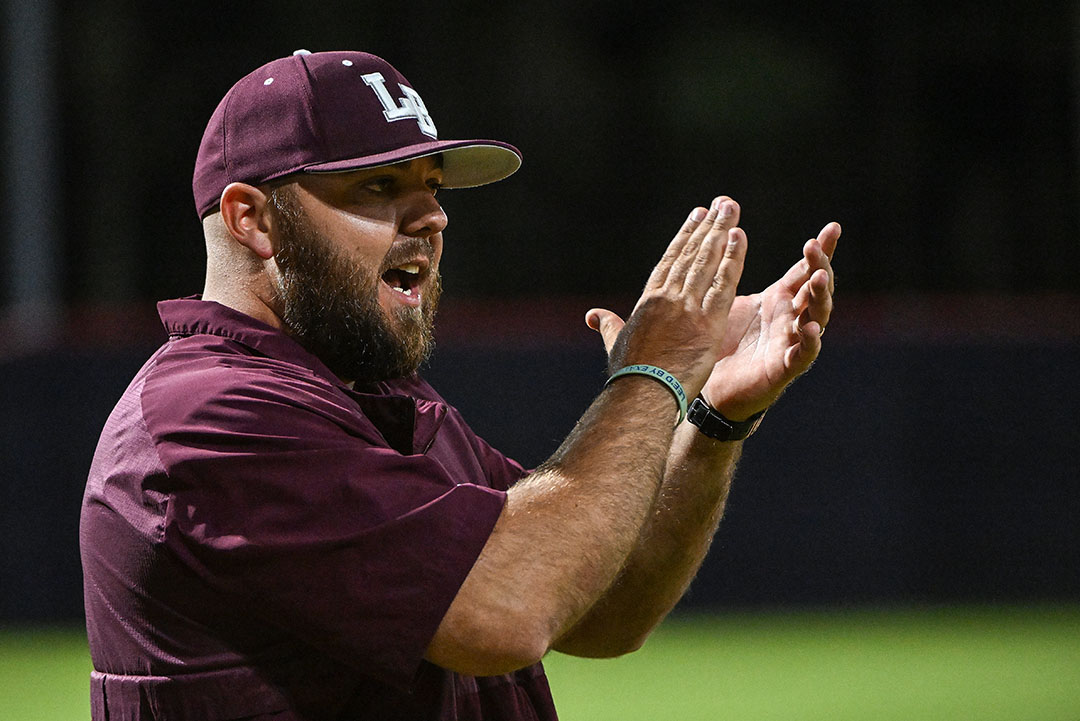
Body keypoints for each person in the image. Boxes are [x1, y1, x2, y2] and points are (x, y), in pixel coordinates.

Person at [80, 49, 839, 721]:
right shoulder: (208, 419)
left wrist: (710, 417)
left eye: (433, 185)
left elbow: (607, 605)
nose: (433, 215)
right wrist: (651, 374)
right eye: (379, 186)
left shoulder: (379, 399)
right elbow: (506, 614)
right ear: (254, 219)